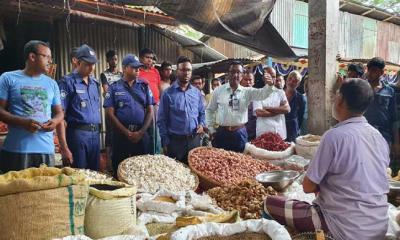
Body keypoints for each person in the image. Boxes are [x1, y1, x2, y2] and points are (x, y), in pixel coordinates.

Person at [264, 78, 389, 240]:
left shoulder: (334, 136)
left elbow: (308, 187)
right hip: (379, 225)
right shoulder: (377, 137)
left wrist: (316, 180)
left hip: (343, 228)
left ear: (341, 101)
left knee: (270, 203)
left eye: (336, 95)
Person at [0, 40, 64, 173]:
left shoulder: (52, 84)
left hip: (46, 150)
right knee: (17, 192)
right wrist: (23, 122)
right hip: (17, 149)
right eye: (46, 56)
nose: (50, 61)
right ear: (32, 57)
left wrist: (55, 121)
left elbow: (60, 113)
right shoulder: (8, 78)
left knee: (44, 192)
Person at [206, 61, 276, 152]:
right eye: (233, 72)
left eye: (238, 72)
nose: (235, 75)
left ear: (242, 74)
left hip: (239, 133)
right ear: (228, 74)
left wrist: (270, 85)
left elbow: (263, 94)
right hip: (221, 133)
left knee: (239, 162)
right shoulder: (218, 91)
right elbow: (210, 110)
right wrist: (211, 129)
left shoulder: (247, 91)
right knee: (220, 162)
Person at [103, 54, 153, 175]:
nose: (137, 70)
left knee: (142, 171)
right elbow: (109, 113)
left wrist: (141, 132)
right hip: (121, 136)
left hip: (141, 135)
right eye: (134, 67)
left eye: (139, 67)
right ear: (125, 68)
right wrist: (127, 133)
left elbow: (150, 111)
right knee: (119, 169)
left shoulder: (144, 86)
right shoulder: (114, 87)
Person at [56, 44, 101, 170]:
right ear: (78, 62)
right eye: (87, 64)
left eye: (93, 64)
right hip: (77, 135)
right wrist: (64, 147)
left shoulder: (94, 83)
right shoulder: (67, 82)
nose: (91, 68)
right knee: (79, 173)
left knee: (95, 174)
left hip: (95, 135)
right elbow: (60, 116)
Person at [158, 56, 205, 163]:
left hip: (194, 140)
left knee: (195, 172)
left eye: (188, 70)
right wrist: (165, 142)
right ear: (177, 71)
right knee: (177, 175)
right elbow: (161, 120)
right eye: (183, 70)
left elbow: (202, 112)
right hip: (175, 143)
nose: (186, 73)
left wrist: (202, 124)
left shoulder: (196, 93)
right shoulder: (168, 94)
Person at [364, 57, 395, 145]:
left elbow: (395, 118)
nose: (369, 73)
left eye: (374, 70)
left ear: (381, 72)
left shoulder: (389, 91)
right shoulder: (361, 88)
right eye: (368, 69)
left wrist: (396, 142)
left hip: (384, 134)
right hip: (364, 134)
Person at [100, 50, 122, 171]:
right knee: (109, 134)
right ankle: (109, 164)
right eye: (112, 59)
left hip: (121, 108)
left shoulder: (121, 74)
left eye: (116, 59)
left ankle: (119, 162)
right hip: (110, 108)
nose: (114, 61)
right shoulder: (104, 75)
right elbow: (106, 92)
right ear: (107, 60)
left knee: (120, 133)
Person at [253, 74, 290, 139]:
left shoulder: (280, 92)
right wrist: (279, 110)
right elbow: (259, 112)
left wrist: (266, 108)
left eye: (273, 76)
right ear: (264, 78)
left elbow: (287, 109)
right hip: (263, 131)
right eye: (269, 76)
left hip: (279, 131)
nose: (271, 79)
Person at [139, 48, 161, 154]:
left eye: (151, 58)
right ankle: (144, 155)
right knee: (144, 131)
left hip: (155, 105)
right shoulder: (138, 71)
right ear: (141, 58)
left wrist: (159, 101)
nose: (150, 60)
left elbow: (158, 87)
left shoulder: (155, 71)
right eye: (147, 57)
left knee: (155, 132)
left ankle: (155, 156)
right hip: (142, 106)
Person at [285, 70, 306, 142]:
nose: (291, 82)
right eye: (290, 79)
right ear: (286, 79)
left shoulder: (300, 98)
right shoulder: (279, 94)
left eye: (295, 81)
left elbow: (300, 116)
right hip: (279, 127)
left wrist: (295, 126)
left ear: (298, 84)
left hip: (292, 129)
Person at [241, 72, 257, 141]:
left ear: (253, 82)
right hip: (240, 133)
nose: (248, 82)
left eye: (250, 80)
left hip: (254, 134)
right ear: (241, 81)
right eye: (245, 79)